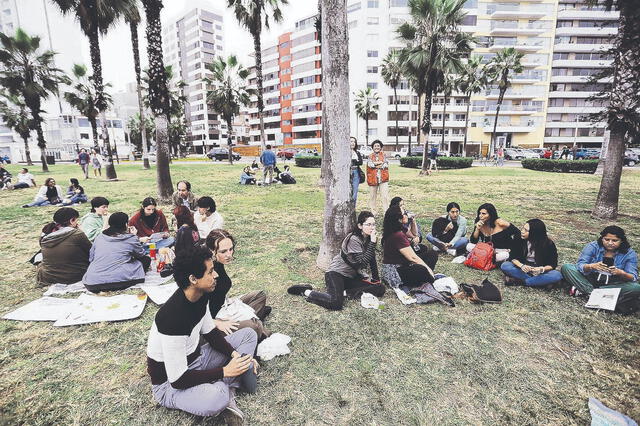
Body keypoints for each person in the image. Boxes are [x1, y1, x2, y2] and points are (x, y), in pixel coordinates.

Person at [145, 245, 259, 422]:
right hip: (170, 384)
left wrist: (236, 356)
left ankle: (227, 385)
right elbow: (178, 379)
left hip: (198, 360)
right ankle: (226, 390)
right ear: (193, 279)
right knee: (216, 398)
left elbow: (212, 333)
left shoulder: (201, 295)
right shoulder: (172, 319)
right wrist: (224, 371)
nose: (216, 276)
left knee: (249, 335)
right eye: (211, 271)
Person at [287, 211, 386, 310]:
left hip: (350, 277)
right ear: (360, 226)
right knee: (336, 304)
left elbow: (372, 259)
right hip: (336, 273)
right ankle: (306, 291)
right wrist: (373, 243)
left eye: (373, 224)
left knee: (380, 288)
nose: (372, 227)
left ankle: (344, 293)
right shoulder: (353, 239)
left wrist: (375, 280)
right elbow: (362, 262)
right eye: (368, 224)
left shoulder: (368, 238)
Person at [205, 229, 272, 339]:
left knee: (259, 295)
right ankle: (256, 326)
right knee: (254, 326)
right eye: (223, 251)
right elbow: (193, 313)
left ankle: (252, 321)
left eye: (230, 249)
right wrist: (217, 323)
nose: (229, 255)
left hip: (225, 308)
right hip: (213, 321)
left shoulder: (218, 262)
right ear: (212, 250)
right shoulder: (206, 272)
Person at [561, 226, 639, 313]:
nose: (610, 243)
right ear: (602, 239)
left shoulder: (629, 253)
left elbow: (633, 277)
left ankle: (588, 293)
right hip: (590, 278)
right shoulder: (593, 246)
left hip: (613, 283)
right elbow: (580, 265)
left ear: (621, 241)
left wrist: (620, 273)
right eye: (607, 239)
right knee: (567, 267)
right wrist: (591, 266)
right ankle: (597, 295)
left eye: (614, 240)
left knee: (636, 287)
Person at [83, 212, 151, 292]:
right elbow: (140, 254)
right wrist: (134, 236)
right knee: (146, 260)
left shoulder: (99, 237)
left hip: (92, 283)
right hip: (118, 280)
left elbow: (91, 258)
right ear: (125, 224)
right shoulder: (131, 238)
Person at [381, 205, 436, 289]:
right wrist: (429, 271)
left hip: (403, 264)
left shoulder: (398, 228)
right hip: (395, 272)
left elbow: (414, 234)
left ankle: (424, 276)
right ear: (399, 218)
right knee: (422, 270)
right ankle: (425, 278)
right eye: (404, 213)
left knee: (432, 254)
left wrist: (413, 221)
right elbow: (413, 258)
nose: (407, 214)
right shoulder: (398, 235)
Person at [500, 219, 563, 287]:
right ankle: (540, 282)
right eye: (523, 228)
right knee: (505, 265)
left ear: (535, 233)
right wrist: (522, 266)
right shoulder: (518, 238)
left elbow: (553, 264)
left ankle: (520, 281)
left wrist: (542, 269)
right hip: (523, 267)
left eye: (526, 230)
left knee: (557, 275)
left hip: (539, 269)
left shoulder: (548, 244)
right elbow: (512, 257)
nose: (522, 232)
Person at [37, 207, 92, 285]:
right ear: (71, 220)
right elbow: (91, 252)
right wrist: (81, 231)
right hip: (74, 276)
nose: (77, 223)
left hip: (48, 277)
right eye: (76, 220)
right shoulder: (77, 234)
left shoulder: (45, 235)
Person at [389, 197, 438, 269]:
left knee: (424, 248)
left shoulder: (405, 217)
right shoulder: (393, 222)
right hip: (402, 254)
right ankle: (423, 269)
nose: (403, 208)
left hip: (408, 247)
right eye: (401, 205)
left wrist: (413, 221)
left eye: (403, 205)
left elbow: (414, 234)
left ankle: (423, 268)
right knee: (432, 254)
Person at [366, 140, 390, 215]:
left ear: (380, 147)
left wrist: (376, 164)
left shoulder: (384, 155)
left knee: (385, 196)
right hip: (372, 179)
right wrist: (379, 163)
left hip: (383, 179)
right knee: (372, 196)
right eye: (375, 146)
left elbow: (386, 164)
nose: (376, 147)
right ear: (373, 147)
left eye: (378, 146)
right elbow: (370, 165)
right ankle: (373, 212)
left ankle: (386, 212)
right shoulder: (370, 156)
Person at [350, 137, 363, 203]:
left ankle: (353, 209)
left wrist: (354, 161)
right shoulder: (344, 153)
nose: (353, 143)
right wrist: (355, 161)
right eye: (351, 141)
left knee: (355, 192)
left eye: (354, 142)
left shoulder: (357, 153)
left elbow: (361, 162)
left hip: (356, 172)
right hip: (347, 173)